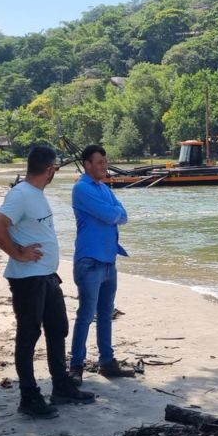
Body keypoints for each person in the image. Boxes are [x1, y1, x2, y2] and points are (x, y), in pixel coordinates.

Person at [0, 145, 94, 419]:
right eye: (55, 168)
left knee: (58, 328)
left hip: (46, 276)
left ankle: (61, 386)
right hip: (27, 279)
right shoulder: (21, 194)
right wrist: (17, 253)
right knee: (28, 336)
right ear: (49, 170)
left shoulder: (35, 193)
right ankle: (29, 396)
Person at [69, 144, 134, 382]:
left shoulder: (103, 188)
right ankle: (76, 366)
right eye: (99, 163)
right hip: (90, 262)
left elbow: (123, 214)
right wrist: (113, 213)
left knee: (106, 314)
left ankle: (107, 362)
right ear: (87, 165)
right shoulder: (81, 189)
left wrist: (114, 213)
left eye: (105, 162)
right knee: (86, 315)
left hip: (108, 260)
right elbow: (112, 215)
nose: (104, 166)